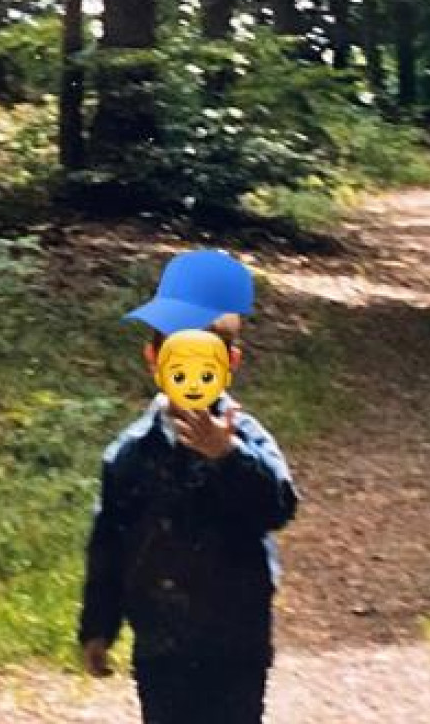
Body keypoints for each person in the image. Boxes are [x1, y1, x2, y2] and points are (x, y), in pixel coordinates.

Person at [78, 250, 299, 724]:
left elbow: (277, 507)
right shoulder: (131, 455)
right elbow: (109, 543)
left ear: (230, 363)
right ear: (154, 361)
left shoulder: (247, 438)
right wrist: (99, 626)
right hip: (160, 639)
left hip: (236, 637)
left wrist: (229, 456)